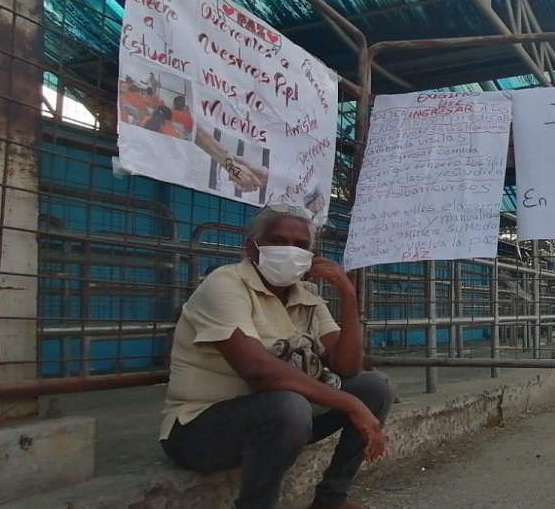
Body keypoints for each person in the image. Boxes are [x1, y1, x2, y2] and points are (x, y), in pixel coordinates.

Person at [160, 204, 392, 509]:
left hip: (277, 422)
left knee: (374, 387)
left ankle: (331, 499)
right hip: (198, 431)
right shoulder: (225, 283)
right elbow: (258, 370)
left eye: (301, 245)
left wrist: (348, 296)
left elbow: (347, 366)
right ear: (251, 248)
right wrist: (351, 404)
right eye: (278, 241)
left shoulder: (306, 294)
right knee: (289, 405)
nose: (290, 251)